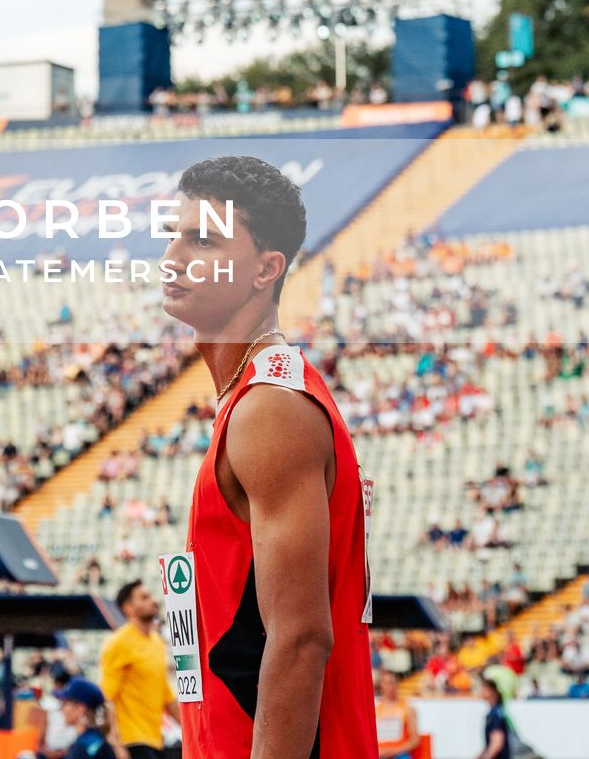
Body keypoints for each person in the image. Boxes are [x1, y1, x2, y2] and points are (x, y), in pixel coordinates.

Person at [161, 156, 379, 759]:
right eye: (173, 235)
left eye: (202, 240)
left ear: (266, 269)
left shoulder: (270, 410)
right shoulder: (258, 398)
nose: (174, 255)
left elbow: (303, 637)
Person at [99, 581, 178, 759]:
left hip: (156, 739)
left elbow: (166, 695)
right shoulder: (119, 643)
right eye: (144, 597)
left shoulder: (157, 642)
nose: (153, 601)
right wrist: (117, 745)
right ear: (128, 608)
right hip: (132, 741)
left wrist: (191, 730)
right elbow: (106, 697)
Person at [55, 679, 115, 759]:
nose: (62, 709)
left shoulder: (83, 747)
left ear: (80, 709)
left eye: (65, 704)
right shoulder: (95, 738)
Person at [373, 671, 420, 758]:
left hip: (399, 754)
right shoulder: (374, 709)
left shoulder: (408, 708)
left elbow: (414, 740)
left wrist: (392, 751)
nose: (390, 686)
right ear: (381, 686)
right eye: (386, 683)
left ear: (397, 684)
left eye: (392, 682)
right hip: (379, 753)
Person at [475, 676, 511, 758]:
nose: (481, 692)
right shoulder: (498, 711)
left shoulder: (495, 714)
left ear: (491, 691)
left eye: (483, 689)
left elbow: (497, 743)